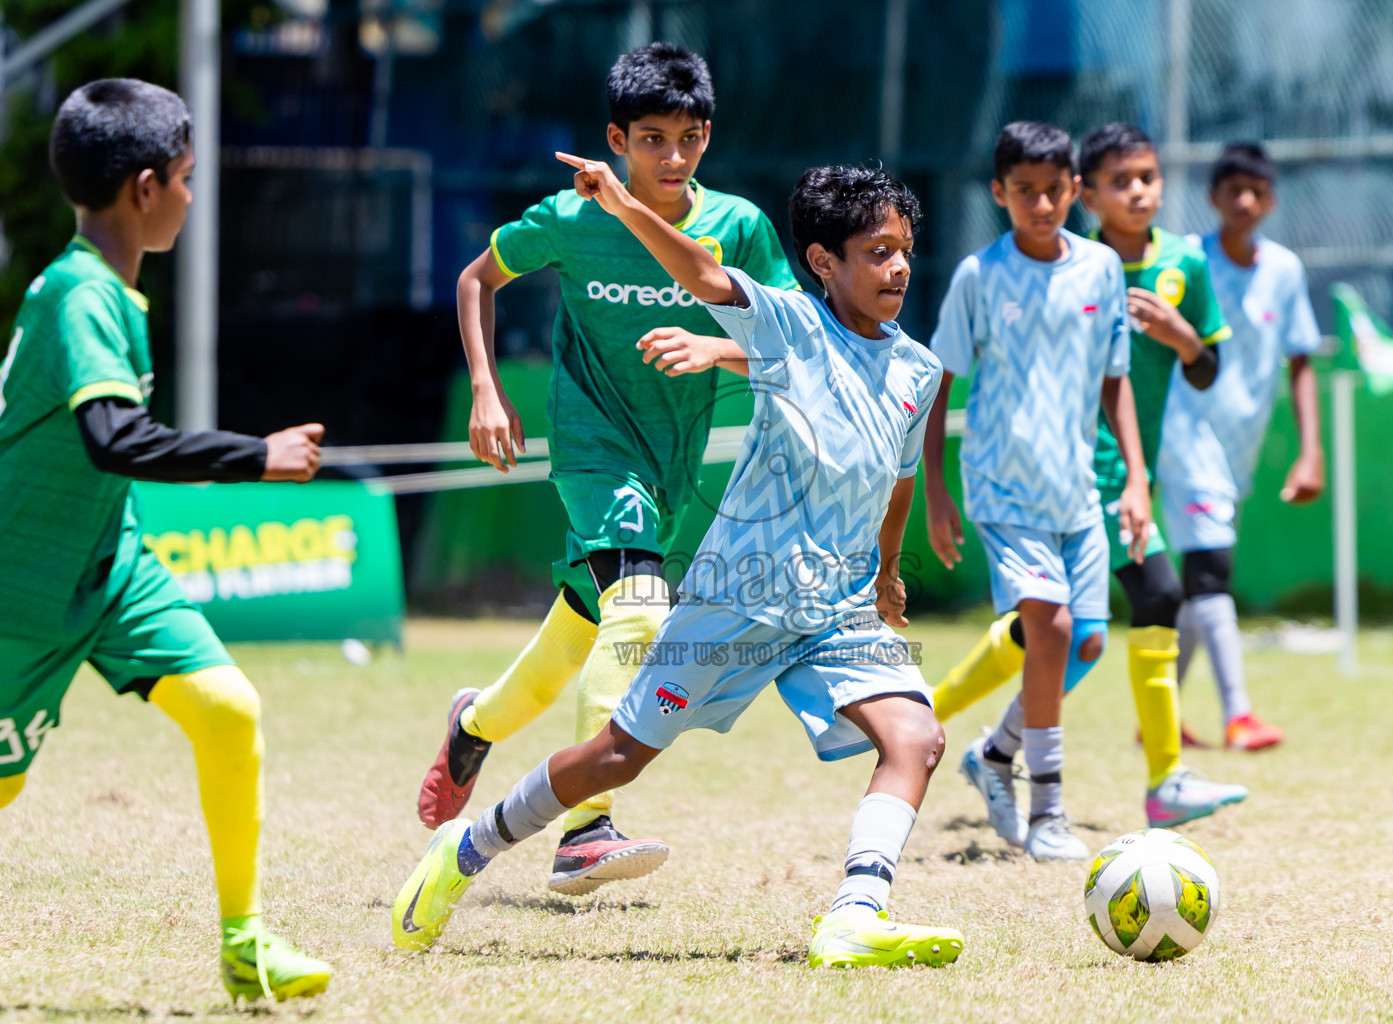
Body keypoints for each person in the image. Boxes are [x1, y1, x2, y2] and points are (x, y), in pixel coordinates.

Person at [394, 160, 965, 969]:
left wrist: (885, 572)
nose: (898, 267)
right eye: (876, 252)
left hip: (835, 610)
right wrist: (624, 204)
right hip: (739, 596)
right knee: (616, 757)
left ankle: (853, 916)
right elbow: (700, 270)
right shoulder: (787, 324)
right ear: (823, 263)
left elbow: (897, 481)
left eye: (905, 250)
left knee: (916, 738)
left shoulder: (916, 370)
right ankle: (469, 849)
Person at [418, 43, 799, 896]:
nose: (672, 158)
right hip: (593, 450)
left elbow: (792, 343)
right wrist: (486, 388)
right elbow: (476, 279)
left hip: (671, 464)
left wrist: (716, 347)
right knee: (640, 614)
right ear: (615, 140)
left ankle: (472, 725)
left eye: (690, 138)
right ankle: (585, 831)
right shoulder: (569, 218)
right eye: (652, 138)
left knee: (574, 640)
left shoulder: (736, 227)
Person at [0, 79, 331, 1002]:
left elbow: (110, 455)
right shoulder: (77, 294)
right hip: (20, 583)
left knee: (228, 707)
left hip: (107, 566)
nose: (193, 193)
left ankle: (244, 944)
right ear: (146, 188)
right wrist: (254, 457)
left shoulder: (108, 292)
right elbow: (113, 440)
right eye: (186, 177)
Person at [929, 123, 1249, 830]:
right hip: (1062, 472)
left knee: (1078, 634)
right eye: (1121, 181)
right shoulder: (1048, 267)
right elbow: (949, 374)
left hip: (1121, 472)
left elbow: (1203, 369)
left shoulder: (1182, 266)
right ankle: (1151, 776)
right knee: (1134, 602)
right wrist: (937, 489)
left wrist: (1180, 335)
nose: (1138, 192)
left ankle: (978, 738)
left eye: (1148, 177)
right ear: (1092, 195)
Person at [922, 121, 1150, 860]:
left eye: (1055, 190)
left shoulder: (1101, 272)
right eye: (1025, 192)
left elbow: (1117, 384)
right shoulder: (978, 277)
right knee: (1046, 628)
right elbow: (938, 383)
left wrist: (1137, 480)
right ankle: (1048, 812)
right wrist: (937, 492)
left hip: (1077, 492)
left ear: (1075, 191)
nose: (1042, 204)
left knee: (1083, 642)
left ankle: (992, 755)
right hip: (1001, 487)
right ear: (1000, 193)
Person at [1160, 142, 1323, 750]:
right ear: (1214, 198)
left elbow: (1301, 358)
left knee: (1200, 581)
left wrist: (1312, 451)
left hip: (1239, 448)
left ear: (1270, 200)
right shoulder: (1187, 262)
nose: (1245, 201)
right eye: (1234, 190)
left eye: (1257, 191)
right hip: (1183, 435)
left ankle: (1162, 713)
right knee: (1211, 569)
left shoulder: (1284, 270)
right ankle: (1240, 715)